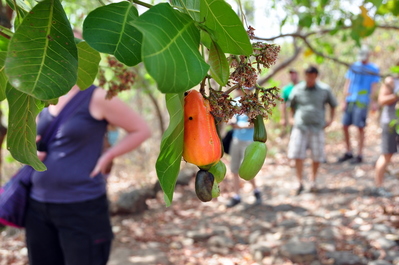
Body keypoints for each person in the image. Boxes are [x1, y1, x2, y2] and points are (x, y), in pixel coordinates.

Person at [25, 84, 151, 265]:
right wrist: (33, 153)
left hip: (81, 206)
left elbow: (141, 129)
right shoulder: (44, 94)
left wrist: (109, 155)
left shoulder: (97, 97)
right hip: (38, 206)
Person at [287, 66, 338, 194]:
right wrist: (291, 119)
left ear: (316, 76)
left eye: (312, 76)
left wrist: (331, 120)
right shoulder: (298, 89)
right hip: (300, 126)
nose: (309, 79)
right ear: (305, 76)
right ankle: (299, 182)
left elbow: (333, 105)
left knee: (317, 155)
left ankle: (313, 180)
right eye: (307, 76)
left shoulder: (324, 89)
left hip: (317, 127)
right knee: (298, 155)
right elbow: (290, 105)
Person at [337, 45, 380, 164]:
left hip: (362, 101)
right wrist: (344, 100)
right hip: (351, 99)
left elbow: (374, 86)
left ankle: (360, 154)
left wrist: (373, 102)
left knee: (360, 127)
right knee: (344, 125)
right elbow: (348, 83)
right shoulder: (354, 66)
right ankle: (348, 151)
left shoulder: (373, 68)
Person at [226, 88, 262, 208]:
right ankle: (236, 196)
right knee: (234, 169)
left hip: (248, 140)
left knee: (246, 168)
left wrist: (239, 126)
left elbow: (253, 123)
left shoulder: (253, 103)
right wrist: (231, 122)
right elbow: (230, 118)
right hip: (236, 139)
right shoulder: (235, 102)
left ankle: (256, 190)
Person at [373, 75, 399, 197]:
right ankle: (379, 186)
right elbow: (381, 100)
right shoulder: (391, 81)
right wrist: (396, 95)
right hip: (391, 122)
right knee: (387, 154)